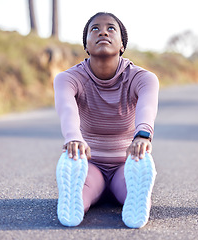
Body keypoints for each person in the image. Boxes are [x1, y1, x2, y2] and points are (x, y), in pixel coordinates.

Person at [54, 12, 159, 229]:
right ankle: (73, 202)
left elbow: (147, 107)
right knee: (82, 193)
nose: (103, 31)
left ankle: (137, 202)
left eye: (111, 28)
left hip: (126, 162)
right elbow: (66, 109)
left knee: (131, 187)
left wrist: (142, 135)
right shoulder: (68, 78)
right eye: (95, 29)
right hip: (89, 162)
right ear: (86, 45)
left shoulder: (142, 78)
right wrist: (73, 138)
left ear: (122, 44)